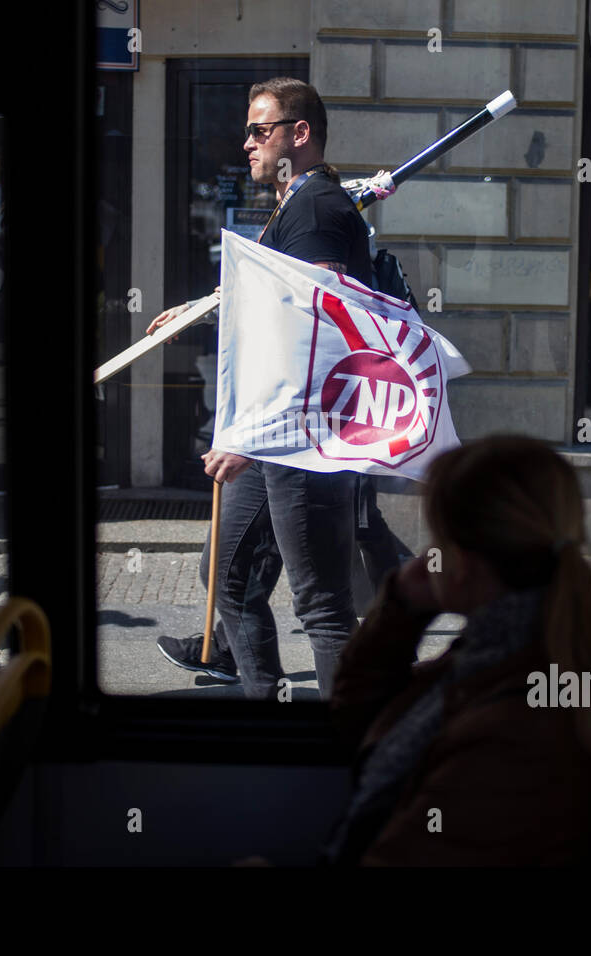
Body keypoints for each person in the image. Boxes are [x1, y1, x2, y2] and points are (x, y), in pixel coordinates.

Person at [322, 435, 591, 865]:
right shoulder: (506, 651)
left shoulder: (516, 729)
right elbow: (363, 725)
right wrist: (402, 608)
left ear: (458, 562)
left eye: (436, 539)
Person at [148, 78, 374, 700]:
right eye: (247, 130)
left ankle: (345, 757)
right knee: (226, 575)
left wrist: (252, 441)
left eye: (259, 129)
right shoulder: (297, 207)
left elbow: (314, 335)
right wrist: (199, 309)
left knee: (323, 608)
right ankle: (262, 705)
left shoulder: (317, 209)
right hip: (275, 440)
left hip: (300, 442)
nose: (245, 142)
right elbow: (273, 305)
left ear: (298, 135)